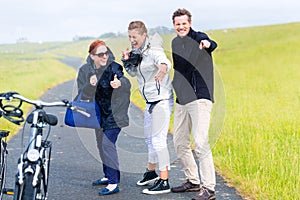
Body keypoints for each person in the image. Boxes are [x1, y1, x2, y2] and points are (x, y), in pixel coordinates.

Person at [170, 8, 218, 200]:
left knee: (199, 142)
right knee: (179, 141)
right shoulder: (175, 43)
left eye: (184, 23)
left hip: (200, 97)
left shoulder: (199, 38)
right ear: (174, 25)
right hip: (182, 99)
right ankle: (193, 181)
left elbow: (211, 43)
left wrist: (207, 44)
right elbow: (179, 70)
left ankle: (209, 188)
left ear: (189, 23)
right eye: (177, 24)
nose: (181, 27)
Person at [121, 21, 173, 195]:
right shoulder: (138, 52)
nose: (132, 40)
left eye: (134, 37)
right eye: (129, 37)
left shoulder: (154, 50)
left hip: (161, 101)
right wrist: (126, 61)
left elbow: (164, 62)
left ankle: (164, 180)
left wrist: (163, 70)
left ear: (144, 35)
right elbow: (135, 73)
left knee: (158, 140)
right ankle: (151, 172)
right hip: (150, 102)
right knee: (149, 139)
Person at [77, 40, 131, 195]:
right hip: (98, 114)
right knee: (101, 144)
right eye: (100, 54)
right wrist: (90, 84)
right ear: (92, 56)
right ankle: (108, 176)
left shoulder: (114, 67)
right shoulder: (85, 71)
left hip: (116, 112)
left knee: (107, 144)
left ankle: (113, 183)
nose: (104, 57)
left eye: (106, 53)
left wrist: (119, 83)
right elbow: (83, 94)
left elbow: (125, 81)